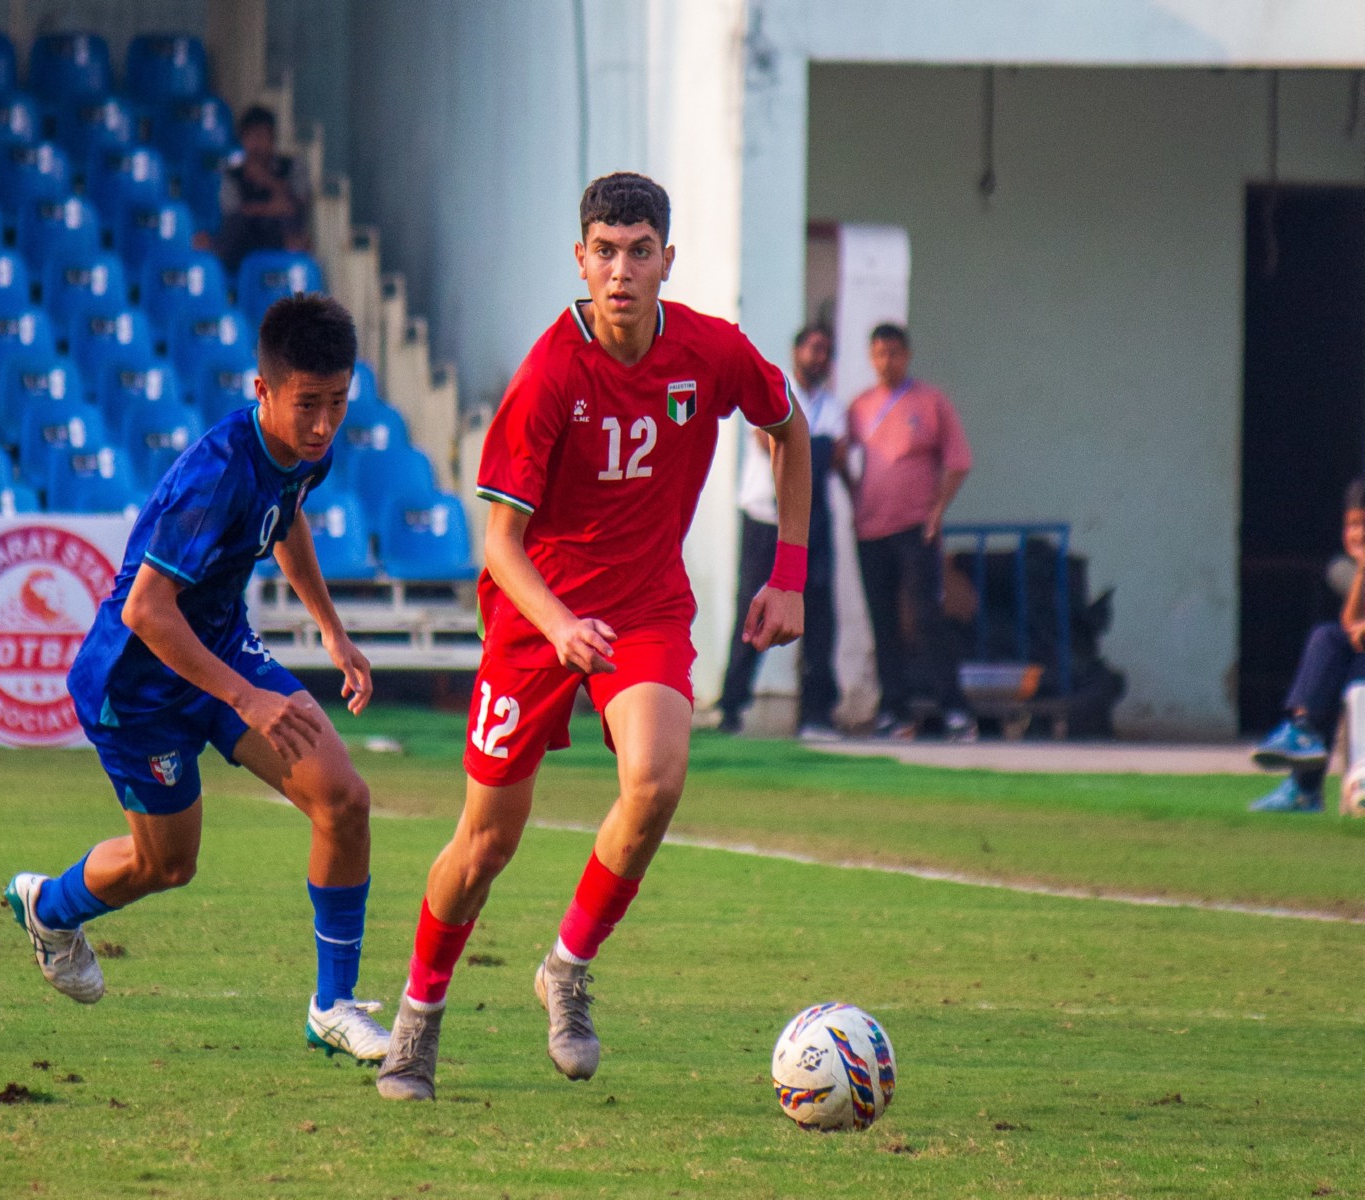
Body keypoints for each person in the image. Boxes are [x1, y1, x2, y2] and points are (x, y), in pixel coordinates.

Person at [374, 172, 812, 1101]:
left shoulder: (711, 352)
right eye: (604, 252)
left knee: (656, 781)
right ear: (581, 259)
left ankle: (566, 968)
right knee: (486, 842)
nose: (621, 270)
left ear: (666, 260)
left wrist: (790, 574)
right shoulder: (548, 375)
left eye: (638, 251)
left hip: (645, 606)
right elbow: (498, 542)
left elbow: (789, 429)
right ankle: (418, 1015)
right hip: (539, 619)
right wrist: (560, 622)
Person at [3, 294, 392, 1064]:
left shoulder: (307, 453)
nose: (323, 425)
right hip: (136, 686)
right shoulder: (215, 476)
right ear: (263, 390)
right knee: (167, 865)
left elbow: (287, 519)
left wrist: (332, 630)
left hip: (218, 649)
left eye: (338, 404)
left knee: (343, 799)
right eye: (307, 405)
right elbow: (148, 611)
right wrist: (245, 695)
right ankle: (49, 906)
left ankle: (333, 1004)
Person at [841, 323, 976, 741]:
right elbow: (842, 456)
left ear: (908, 355)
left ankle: (954, 709)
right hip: (870, 529)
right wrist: (854, 496)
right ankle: (894, 710)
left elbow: (958, 461)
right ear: (870, 357)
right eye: (879, 354)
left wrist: (937, 510)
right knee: (882, 621)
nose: (887, 361)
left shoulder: (930, 401)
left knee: (924, 617)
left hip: (916, 527)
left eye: (894, 353)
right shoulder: (860, 406)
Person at [715, 324, 842, 740]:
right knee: (750, 609)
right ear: (796, 351)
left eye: (826, 350)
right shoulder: (778, 389)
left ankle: (815, 713)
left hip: (807, 522)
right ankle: (732, 705)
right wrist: (799, 441)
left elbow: (836, 456)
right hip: (764, 520)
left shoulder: (832, 407)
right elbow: (767, 438)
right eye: (813, 348)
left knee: (818, 615)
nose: (819, 357)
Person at [1248, 478, 1365, 813]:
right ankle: (1303, 737)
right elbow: (1350, 623)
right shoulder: (1343, 567)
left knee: (1353, 666)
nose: (1358, 534)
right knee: (1329, 640)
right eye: (1353, 524)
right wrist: (1362, 571)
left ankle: (1307, 784)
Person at [214, 104, 312, 273]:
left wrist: (268, 181)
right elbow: (234, 212)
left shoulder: (292, 167)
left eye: (262, 136)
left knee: (292, 231)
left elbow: (295, 206)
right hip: (245, 246)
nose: (256, 144)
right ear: (242, 140)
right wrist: (272, 208)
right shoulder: (232, 174)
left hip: (282, 242)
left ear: (273, 139)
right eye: (250, 137)